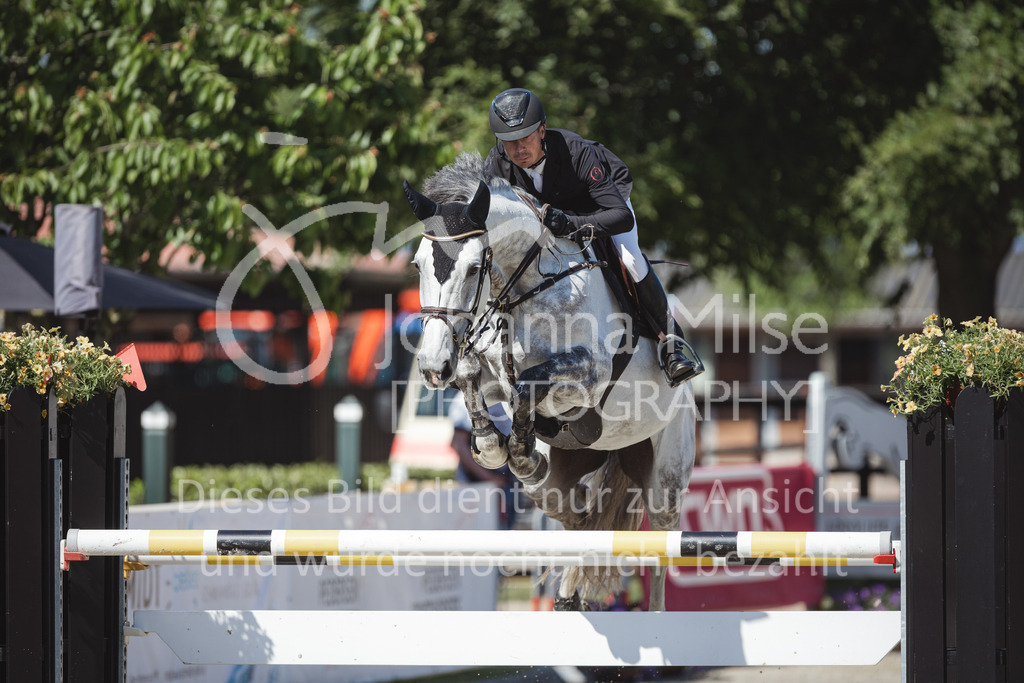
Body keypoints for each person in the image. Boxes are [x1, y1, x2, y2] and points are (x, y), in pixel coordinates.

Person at [482, 88, 703, 387]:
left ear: (542, 130)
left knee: (629, 257)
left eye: (526, 138)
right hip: (552, 218)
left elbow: (620, 216)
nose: (519, 149)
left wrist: (572, 224)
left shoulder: (578, 152)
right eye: (510, 142)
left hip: (602, 204)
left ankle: (672, 344)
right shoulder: (496, 165)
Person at [448, 391, 519, 530]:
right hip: (476, 487)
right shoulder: (467, 397)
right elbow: (458, 443)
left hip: (506, 485)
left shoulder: (511, 393)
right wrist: (489, 478)